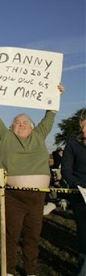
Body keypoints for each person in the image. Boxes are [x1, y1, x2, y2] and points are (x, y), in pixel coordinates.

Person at [0, 82, 65, 276]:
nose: (21, 125)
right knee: (12, 235)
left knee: (33, 236)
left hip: (37, 198)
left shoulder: (39, 135)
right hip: (14, 196)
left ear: (33, 126)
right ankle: (9, 271)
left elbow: (50, 115)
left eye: (25, 122)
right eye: (17, 123)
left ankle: (30, 271)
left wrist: (56, 93)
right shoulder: (5, 137)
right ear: (11, 127)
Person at [61, 108, 86, 276]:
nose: (83, 130)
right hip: (80, 195)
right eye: (82, 127)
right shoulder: (72, 145)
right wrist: (78, 186)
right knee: (84, 233)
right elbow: (66, 171)